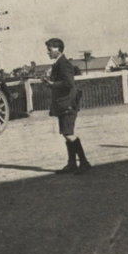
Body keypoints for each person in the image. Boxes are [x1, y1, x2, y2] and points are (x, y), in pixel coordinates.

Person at [42, 38, 90, 174]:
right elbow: (63, 82)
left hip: (67, 103)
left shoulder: (63, 63)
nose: (48, 52)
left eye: (50, 49)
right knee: (66, 133)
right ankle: (72, 164)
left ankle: (84, 163)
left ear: (58, 49)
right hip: (64, 103)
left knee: (68, 134)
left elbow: (68, 83)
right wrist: (49, 83)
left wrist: (52, 84)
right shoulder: (59, 63)